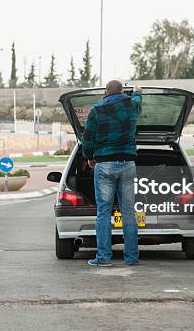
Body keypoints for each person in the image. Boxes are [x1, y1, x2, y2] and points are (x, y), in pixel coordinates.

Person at [81, 80, 142, 267]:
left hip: (105, 164)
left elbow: (87, 138)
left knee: (104, 213)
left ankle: (103, 258)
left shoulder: (97, 110)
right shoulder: (132, 105)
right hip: (128, 164)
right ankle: (131, 258)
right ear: (122, 91)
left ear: (106, 92)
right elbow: (137, 101)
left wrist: (89, 157)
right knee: (128, 213)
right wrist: (138, 91)